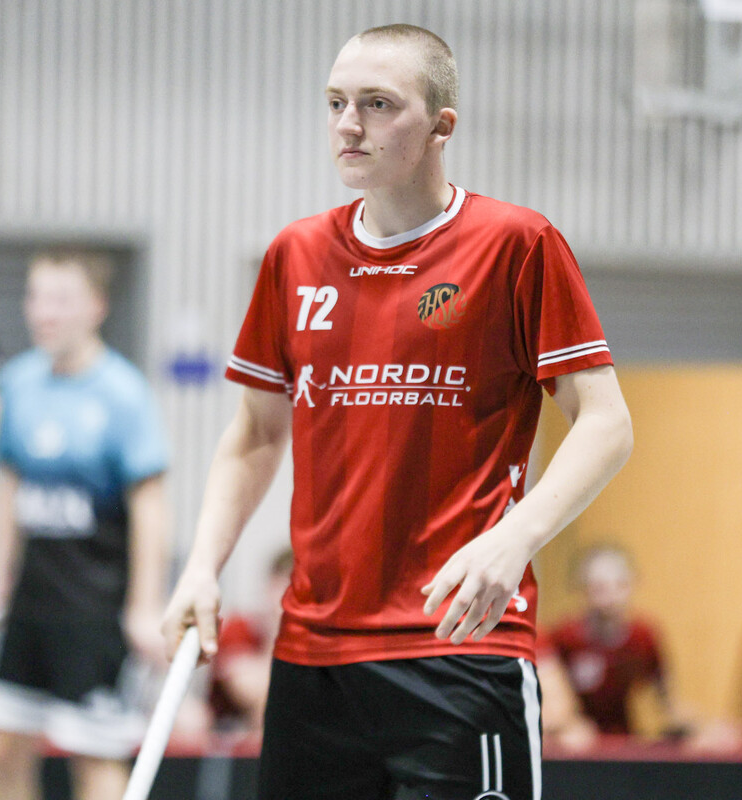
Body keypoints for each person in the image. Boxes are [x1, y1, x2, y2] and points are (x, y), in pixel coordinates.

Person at [162, 23, 632, 800]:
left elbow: (606, 423)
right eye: (336, 103)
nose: (349, 125)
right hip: (315, 658)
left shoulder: (517, 244)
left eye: (377, 104)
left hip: (462, 648)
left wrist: (515, 538)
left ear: (442, 126)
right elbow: (254, 433)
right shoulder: (295, 255)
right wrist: (202, 567)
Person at [0, 249, 170, 800]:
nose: (45, 313)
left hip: (94, 611)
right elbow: (8, 486)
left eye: (61, 299)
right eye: (36, 297)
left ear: (96, 307)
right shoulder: (17, 383)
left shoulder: (123, 393)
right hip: (28, 606)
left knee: (95, 758)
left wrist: (144, 607)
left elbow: (150, 504)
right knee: (4, 749)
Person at [545, 545, 690, 739]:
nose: (610, 596)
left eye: (620, 585)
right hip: (576, 740)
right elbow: (550, 705)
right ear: (582, 588)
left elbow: (668, 702)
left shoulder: (643, 637)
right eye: (599, 587)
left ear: (632, 584)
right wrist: (566, 726)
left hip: (624, 739)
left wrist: (699, 727)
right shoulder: (563, 637)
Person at [207, 547, 293, 734]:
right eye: (284, 587)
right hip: (229, 736)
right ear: (270, 586)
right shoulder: (239, 628)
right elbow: (248, 690)